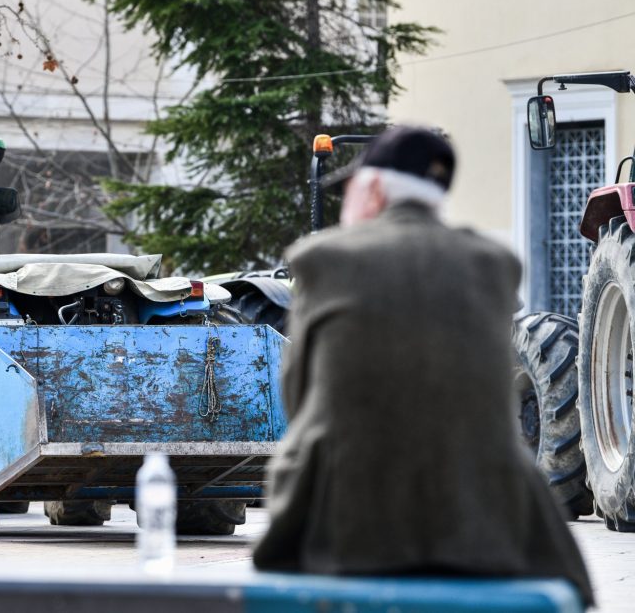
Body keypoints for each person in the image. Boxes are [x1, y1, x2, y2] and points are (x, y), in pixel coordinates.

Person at [252, 126, 594, 606]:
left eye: (347, 193)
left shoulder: (324, 259)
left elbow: (298, 396)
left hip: (349, 530)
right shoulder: (493, 264)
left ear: (371, 190)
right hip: (483, 525)